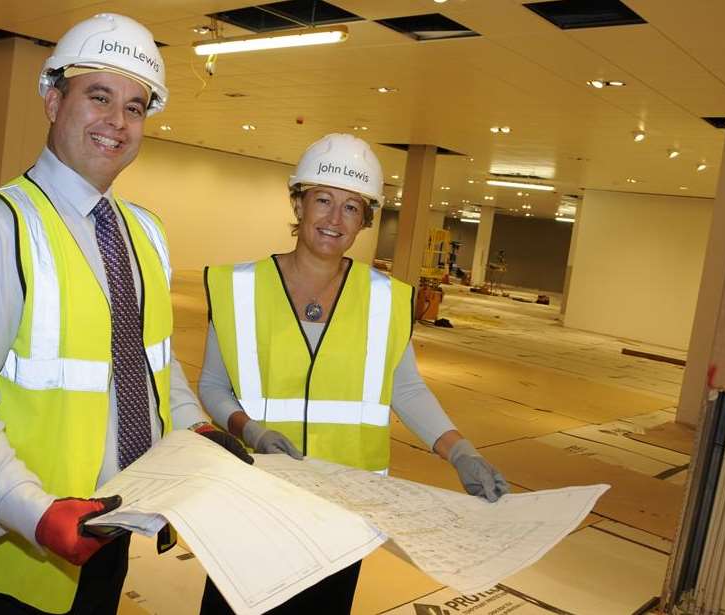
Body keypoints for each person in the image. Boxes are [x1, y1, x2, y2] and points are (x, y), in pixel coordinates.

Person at [0, 13, 249, 615]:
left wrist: (192, 429)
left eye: (135, 107)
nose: (117, 123)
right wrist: (36, 513)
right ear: (52, 98)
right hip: (11, 547)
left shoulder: (144, 231)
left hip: (113, 525)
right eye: (98, 96)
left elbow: (152, 363)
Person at [198, 133, 509, 613]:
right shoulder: (238, 286)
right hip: (254, 499)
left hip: (343, 512)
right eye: (322, 199)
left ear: (365, 220)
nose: (333, 219)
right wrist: (249, 429)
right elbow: (215, 385)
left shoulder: (386, 297)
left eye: (351, 207)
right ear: (298, 203)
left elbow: (405, 387)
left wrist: (459, 450)